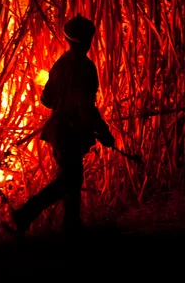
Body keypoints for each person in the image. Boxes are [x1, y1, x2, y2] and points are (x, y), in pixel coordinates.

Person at [9, 13, 115, 238]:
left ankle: (71, 226)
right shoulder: (87, 69)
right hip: (72, 132)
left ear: (68, 40)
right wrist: (103, 131)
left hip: (59, 131)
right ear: (87, 41)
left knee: (72, 177)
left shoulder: (59, 65)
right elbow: (86, 106)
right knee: (70, 179)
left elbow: (46, 100)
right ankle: (25, 215)